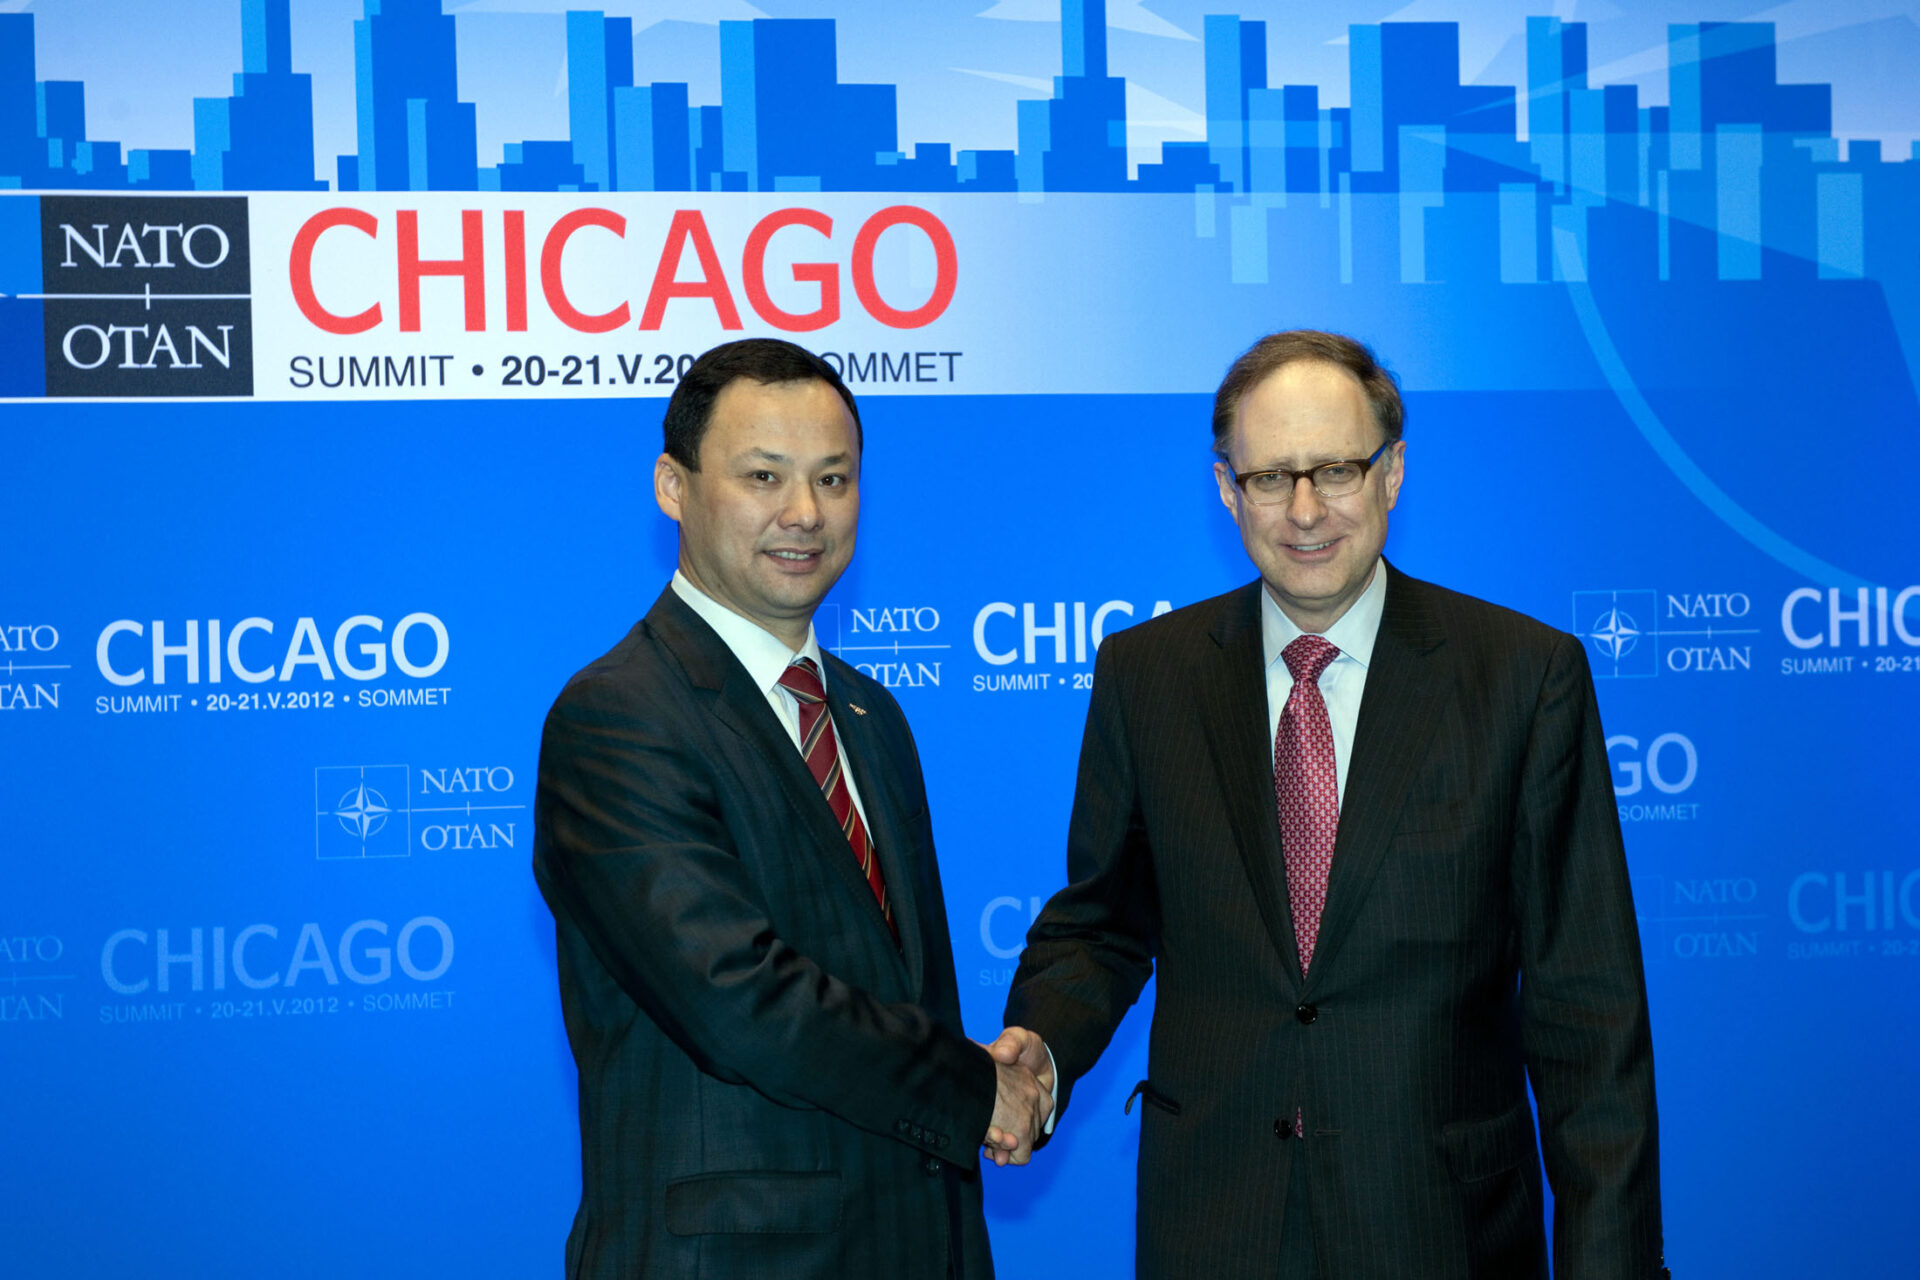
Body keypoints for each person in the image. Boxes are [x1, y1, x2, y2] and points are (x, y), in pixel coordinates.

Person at [995, 331, 1666, 1279]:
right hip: (1214, 1222)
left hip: (1443, 1226)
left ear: (1393, 472)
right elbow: (1103, 921)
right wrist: (1044, 1052)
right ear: (1226, 489)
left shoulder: (1522, 677)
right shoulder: (1149, 677)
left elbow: (1587, 1015)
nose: (1305, 510)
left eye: (1337, 470)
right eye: (1270, 477)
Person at [534, 337, 1048, 1280]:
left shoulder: (867, 712)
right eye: (763, 476)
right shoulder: (617, 716)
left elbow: (903, 996)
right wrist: (974, 1090)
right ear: (672, 486)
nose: (805, 513)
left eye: (834, 479)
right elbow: (741, 1001)